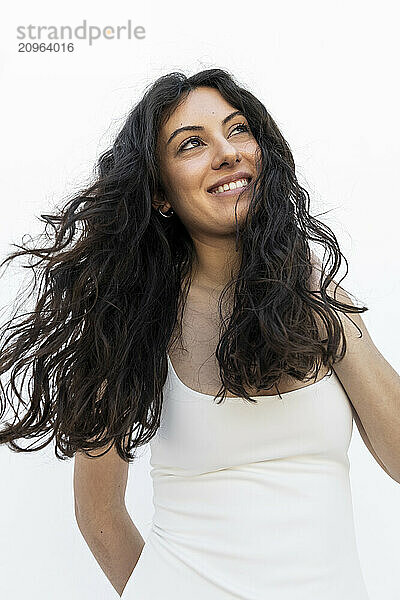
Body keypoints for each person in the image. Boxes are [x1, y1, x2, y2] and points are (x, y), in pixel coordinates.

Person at [1, 68, 398, 599]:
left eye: (237, 131)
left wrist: (317, 298)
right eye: (192, 144)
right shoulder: (135, 322)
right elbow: (97, 513)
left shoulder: (321, 297)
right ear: (161, 192)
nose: (228, 152)